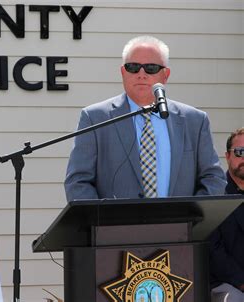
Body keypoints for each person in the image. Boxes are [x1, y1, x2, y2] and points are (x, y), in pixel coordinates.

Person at [64, 35, 226, 201]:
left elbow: (214, 179)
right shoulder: (95, 118)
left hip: (179, 225)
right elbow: (78, 182)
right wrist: (102, 221)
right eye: (133, 67)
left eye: (151, 67)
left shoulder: (194, 121)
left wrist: (192, 217)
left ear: (166, 75)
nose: (141, 74)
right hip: (114, 226)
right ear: (122, 72)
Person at [209, 128, 244, 302]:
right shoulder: (215, 194)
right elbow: (214, 251)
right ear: (228, 156)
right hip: (226, 284)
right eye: (240, 152)